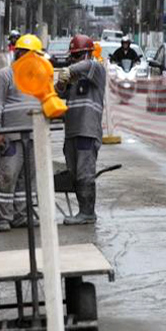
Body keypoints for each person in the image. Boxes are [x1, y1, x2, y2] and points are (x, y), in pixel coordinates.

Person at [0, 34, 42, 233]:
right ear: (18, 53)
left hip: (33, 136)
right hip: (11, 137)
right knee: (8, 176)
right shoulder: (5, 75)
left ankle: (23, 215)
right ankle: (3, 217)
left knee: (28, 179)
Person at [56, 34, 106, 225]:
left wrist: (68, 69)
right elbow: (57, 91)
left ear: (86, 54)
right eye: (72, 57)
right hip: (72, 131)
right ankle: (82, 211)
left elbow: (85, 67)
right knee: (75, 172)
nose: (73, 60)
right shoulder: (74, 78)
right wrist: (62, 82)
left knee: (85, 172)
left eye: (76, 56)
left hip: (87, 129)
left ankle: (88, 212)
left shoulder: (96, 69)